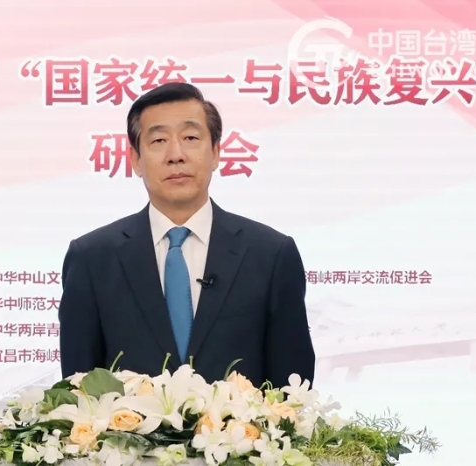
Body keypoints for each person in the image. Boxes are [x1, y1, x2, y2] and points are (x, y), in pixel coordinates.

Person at [58, 82, 315, 389]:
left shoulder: (271, 254)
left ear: (216, 152)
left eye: (190, 138)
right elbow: (78, 389)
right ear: (136, 160)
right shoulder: (92, 259)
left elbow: (292, 391)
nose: (175, 155)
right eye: (158, 140)